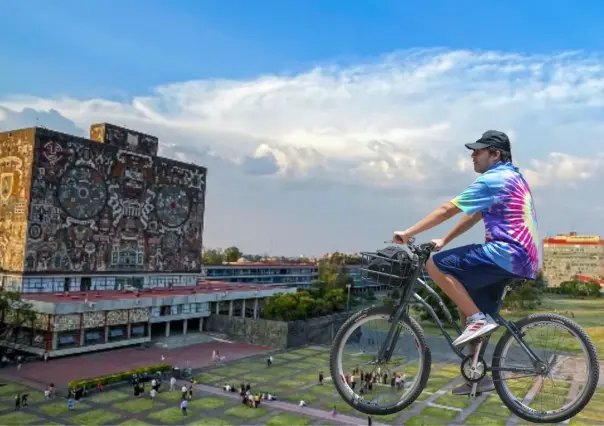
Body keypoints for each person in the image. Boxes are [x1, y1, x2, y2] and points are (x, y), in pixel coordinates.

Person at [393, 130, 539, 396]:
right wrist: (445, 239)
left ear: (495, 154)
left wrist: (409, 232)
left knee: (436, 265)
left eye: (478, 151)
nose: (473, 155)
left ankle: (477, 320)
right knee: (468, 303)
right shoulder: (514, 177)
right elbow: (475, 214)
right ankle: (476, 377)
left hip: (505, 253)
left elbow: (447, 209)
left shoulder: (493, 179)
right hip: (521, 259)